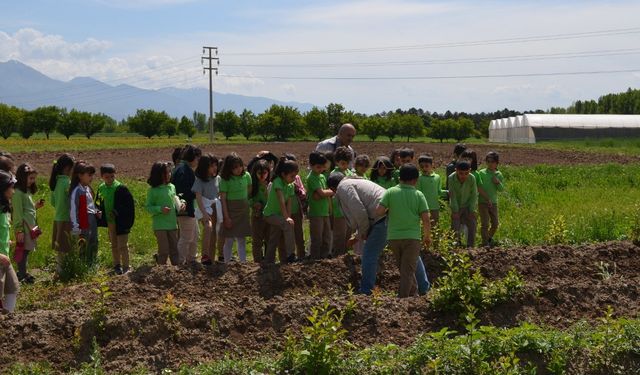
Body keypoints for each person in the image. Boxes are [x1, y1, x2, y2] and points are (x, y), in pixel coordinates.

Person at [328, 172, 430, 296]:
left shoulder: (343, 187)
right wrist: (359, 234)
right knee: (411, 254)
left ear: (333, 188)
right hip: (392, 217)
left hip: (381, 219)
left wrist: (364, 231)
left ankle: (366, 291)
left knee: (369, 254)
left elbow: (359, 211)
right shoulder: (356, 181)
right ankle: (424, 288)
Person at [375, 164, 432, 298]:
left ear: (400, 178)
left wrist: (391, 209)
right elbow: (426, 219)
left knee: (405, 269)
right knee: (408, 270)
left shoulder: (390, 192)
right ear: (415, 180)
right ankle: (403, 300)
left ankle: (413, 295)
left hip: (394, 237)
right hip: (412, 238)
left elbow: (379, 212)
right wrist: (427, 236)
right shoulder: (418, 195)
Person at [97, 164, 135, 275]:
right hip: (110, 222)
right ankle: (116, 265)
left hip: (120, 223)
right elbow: (98, 201)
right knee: (114, 244)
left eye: (112, 176)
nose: (110, 179)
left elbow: (127, 205)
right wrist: (98, 210)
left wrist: (117, 211)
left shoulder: (121, 188)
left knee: (122, 245)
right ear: (102, 177)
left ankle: (126, 266)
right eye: (107, 177)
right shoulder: (101, 188)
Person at [262, 157, 299, 264]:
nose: (293, 178)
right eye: (291, 176)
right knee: (287, 225)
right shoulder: (277, 181)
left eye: (295, 176)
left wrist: (288, 216)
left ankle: (268, 261)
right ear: (283, 174)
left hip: (279, 215)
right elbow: (281, 200)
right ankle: (291, 254)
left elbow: (289, 203)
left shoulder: (290, 185)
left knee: (274, 238)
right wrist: (286, 218)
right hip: (270, 214)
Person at [12, 163, 45, 283]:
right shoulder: (18, 193)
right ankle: (21, 275)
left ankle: (23, 272)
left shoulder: (26, 191)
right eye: (31, 178)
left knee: (27, 251)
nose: (33, 181)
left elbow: (27, 209)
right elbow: (18, 214)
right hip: (24, 228)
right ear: (22, 177)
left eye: (34, 178)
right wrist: (19, 230)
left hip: (29, 227)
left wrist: (36, 206)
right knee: (23, 251)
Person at [146, 162, 182, 265]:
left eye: (170, 172)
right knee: (164, 250)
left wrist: (181, 204)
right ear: (158, 174)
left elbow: (175, 199)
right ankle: (161, 270)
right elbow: (148, 207)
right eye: (166, 173)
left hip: (172, 224)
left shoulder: (172, 187)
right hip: (160, 225)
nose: (169, 175)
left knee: (174, 249)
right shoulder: (153, 191)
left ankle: (176, 270)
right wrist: (160, 209)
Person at [219, 153, 252, 263]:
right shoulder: (225, 180)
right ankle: (226, 263)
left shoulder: (246, 175)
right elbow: (223, 199)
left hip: (243, 210)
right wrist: (226, 217)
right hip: (230, 210)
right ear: (229, 169)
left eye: (240, 166)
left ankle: (243, 263)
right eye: (235, 168)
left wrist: (246, 201)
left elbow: (249, 188)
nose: (238, 169)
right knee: (229, 239)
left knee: (241, 238)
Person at [172, 144, 201, 265]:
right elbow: (182, 191)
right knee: (186, 237)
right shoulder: (184, 170)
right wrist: (196, 193)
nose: (198, 161)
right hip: (185, 208)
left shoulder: (183, 169)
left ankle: (191, 259)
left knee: (194, 235)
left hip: (189, 208)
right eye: (198, 158)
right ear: (193, 157)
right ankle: (180, 262)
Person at [69, 161, 101, 267]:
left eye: (92, 175)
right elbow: (73, 210)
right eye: (89, 175)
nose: (91, 178)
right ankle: (83, 266)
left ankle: (92, 264)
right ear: (80, 175)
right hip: (82, 222)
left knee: (94, 241)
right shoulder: (76, 191)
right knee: (84, 244)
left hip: (91, 220)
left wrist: (96, 211)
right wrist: (76, 227)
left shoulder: (87, 189)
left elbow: (90, 205)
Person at [192, 154, 221, 265]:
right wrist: (204, 213)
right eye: (211, 166)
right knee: (208, 227)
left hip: (215, 207)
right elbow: (198, 199)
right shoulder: (199, 181)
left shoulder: (217, 179)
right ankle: (204, 255)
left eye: (215, 165)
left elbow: (218, 194)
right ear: (205, 167)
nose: (214, 168)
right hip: (204, 208)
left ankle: (212, 258)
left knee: (214, 233)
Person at [306, 151, 334, 259]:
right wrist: (332, 191)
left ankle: (324, 258)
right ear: (311, 166)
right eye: (318, 167)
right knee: (317, 238)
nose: (321, 169)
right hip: (316, 212)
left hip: (325, 211)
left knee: (327, 237)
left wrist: (326, 193)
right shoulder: (311, 178)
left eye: (322, 167)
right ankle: (315, 259)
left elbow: (322, 194)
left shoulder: (322, 176)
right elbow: (322, 193)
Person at [50, 154, 75, 268]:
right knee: (67, 247)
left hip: (58, 218)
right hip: (66, 218)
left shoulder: (55, 182)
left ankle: (59, 269)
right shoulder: (67, 183)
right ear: (67, 168)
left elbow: (53, 202)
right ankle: (63, 271)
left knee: (60, 248)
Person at [448, 160, 478, 248]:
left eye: (466, 173)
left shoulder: (472, 178)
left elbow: (474, 195)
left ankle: (471, 246)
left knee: (472, 223)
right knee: (455, 225)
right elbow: (452, 195)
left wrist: (472, 210)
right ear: (456, 170)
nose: (463, 176)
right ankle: (455, 246)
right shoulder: (451, 178)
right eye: (461, 173)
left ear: (470, 171)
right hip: (456, 204)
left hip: (468, 205)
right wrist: (455, 211)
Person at [0, 171, 19, 313]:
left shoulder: (5, 209)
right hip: (1, 258)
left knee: (13, 288)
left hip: (5, 258)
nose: (13, 191)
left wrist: (8, 241)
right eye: (11, 187)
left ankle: (7, 321)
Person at [477, 152, 505, 246]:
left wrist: (497, 183)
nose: (490, 163)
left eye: (492, 161)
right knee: (485, 223)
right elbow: (478, 187)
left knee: (495, 223)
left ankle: (488, 238)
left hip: (493, 203)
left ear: (497, 163)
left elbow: (501, 189)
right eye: (488, 161)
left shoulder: (498, 174)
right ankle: (485, 243)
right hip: (482, 202)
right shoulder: (481, 173)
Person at [283, 153, 306, 261]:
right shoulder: (279, 180)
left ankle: (301, 256)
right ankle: (286, 257)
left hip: (296, 209)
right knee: (285, 236)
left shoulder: (297, 178)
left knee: (299, 235)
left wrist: (298, 190)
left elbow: (303, 192)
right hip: (285, 212)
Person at [331, 146, 354, 256]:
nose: (345, 166)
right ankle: (337, 256)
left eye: (347, 163)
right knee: (339, 235)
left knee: (348, 234)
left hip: (349, 210)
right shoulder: (334, 174)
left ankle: (345, 254)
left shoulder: (350, 173)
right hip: (339, 211)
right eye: (342, 163)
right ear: (337, 162)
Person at [249, 159, 271, 263]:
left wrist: (266, 189)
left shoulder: (270, 184)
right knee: (257, 240)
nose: (262, 176)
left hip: (269, 215)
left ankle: (268, 260)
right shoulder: (253, 185)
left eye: (265, 173)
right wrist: (253, 204)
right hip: (257, 215)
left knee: (269, 239)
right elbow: (248, 199)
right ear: (255, 173)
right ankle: (257, 261)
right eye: (259, 173)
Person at [417, 155, 446, 226]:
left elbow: (439, 191)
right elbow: (418, 192)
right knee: (423, 225)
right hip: (423, 207)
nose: (424, 168)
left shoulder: (437, 177)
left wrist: (448, 192)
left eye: (426, 166)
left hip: (434, 206)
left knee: (435, 225)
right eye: (422, 166)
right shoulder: (419, 178)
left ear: (432, 165)